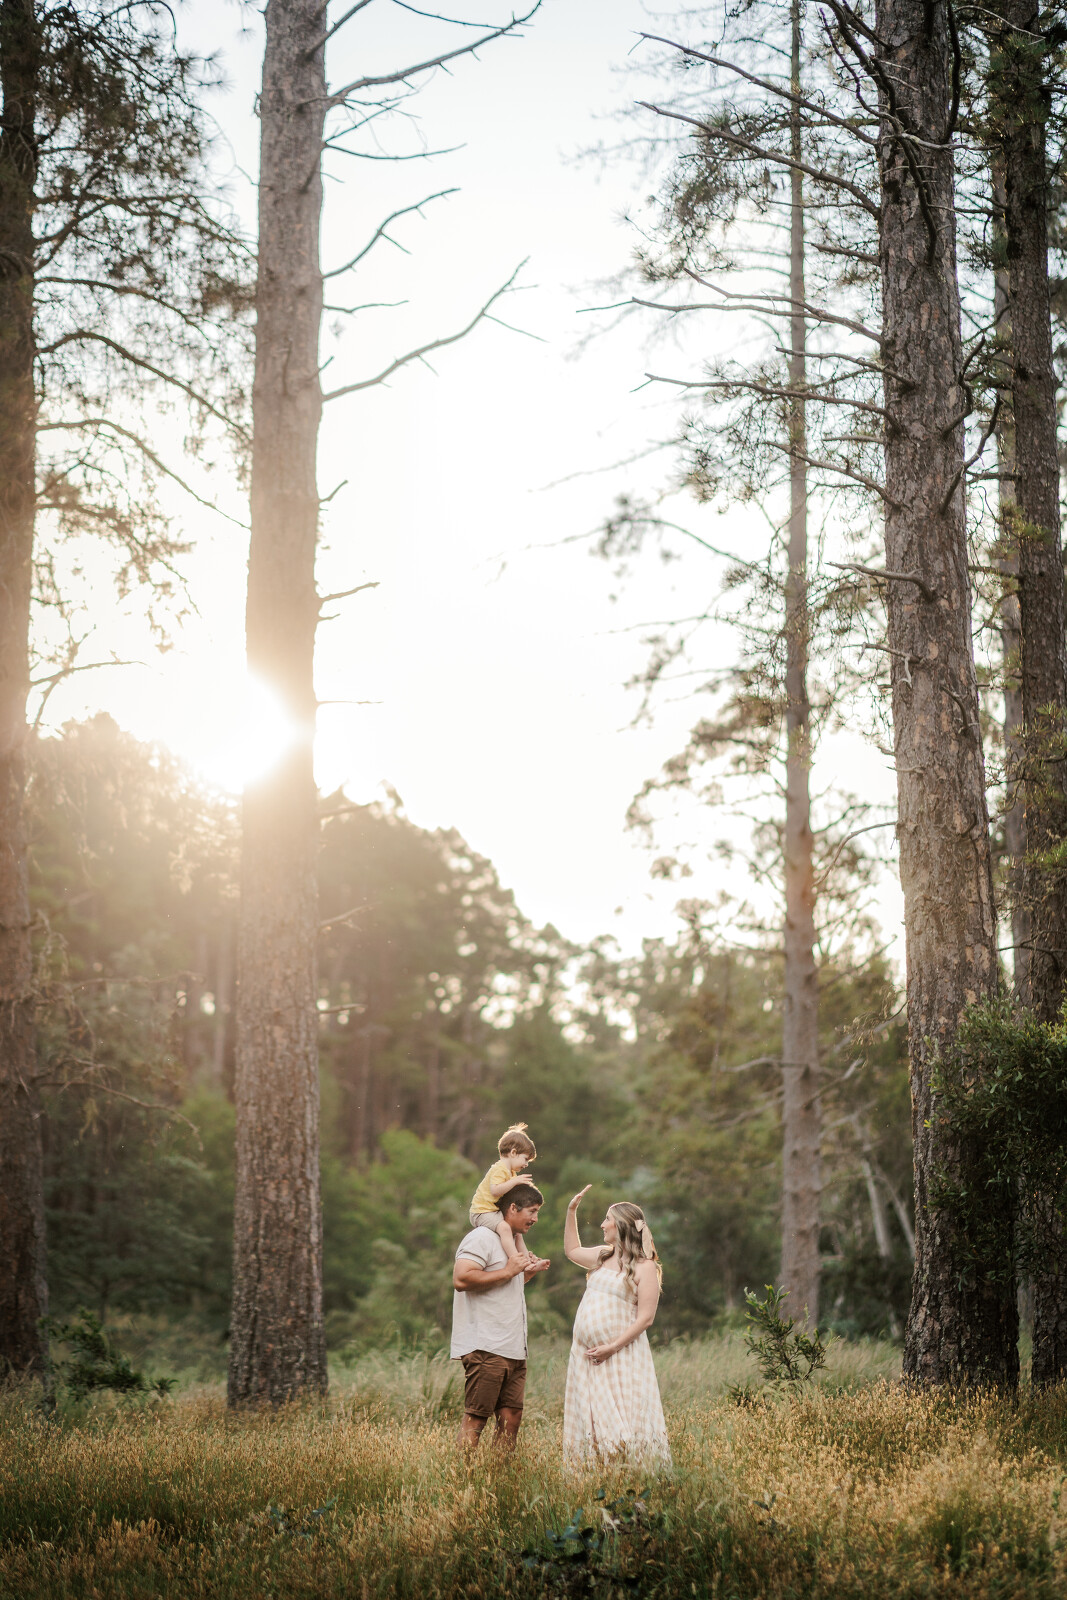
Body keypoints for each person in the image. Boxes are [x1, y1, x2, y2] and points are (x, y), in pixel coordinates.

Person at [561, 1185, 671, 1468]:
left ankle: (631, 1479)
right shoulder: (602, 1256)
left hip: (620, 1355)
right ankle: (595, 1477)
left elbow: (646, 1318)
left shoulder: (645, 1267)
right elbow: (572, 1250)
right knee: (591, 1422)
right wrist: (571, 1211)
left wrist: (611, 1347)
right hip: (587, 1357)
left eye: (607, 1219)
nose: (602, 1224)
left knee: (624, 1423)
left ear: (621, 1225)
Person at [451, 1182, 550, 1451]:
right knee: (476, 1418)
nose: (535, 1219)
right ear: (513, 1208)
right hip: (487, 1346)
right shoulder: (482, 1236)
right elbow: (461, 1278)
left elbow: (505, 1283)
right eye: (532, 1211)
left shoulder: (512, 1244)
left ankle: (499, 1474)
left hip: (514, 1347)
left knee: (511, 1417)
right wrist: (508, 1271)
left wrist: (526, 1273)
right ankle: (462, 1475)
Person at [467, 1122, 538, 1265]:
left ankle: (527, 1260)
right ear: (513, 1153)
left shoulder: (510, 1173)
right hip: (481, 1212)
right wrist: (515, 1181)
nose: (526, 1164)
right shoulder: (500, 1169)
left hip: (493, 1212)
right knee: (505, 1228)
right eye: (525, 1159)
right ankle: (515, 1259)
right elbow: (495, 1191)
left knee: (517, 1231)